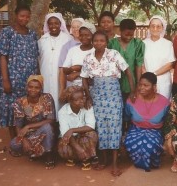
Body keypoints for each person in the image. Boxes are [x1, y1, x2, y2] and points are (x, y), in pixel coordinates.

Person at [80, 31, 135, 177]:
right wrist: (88, 96)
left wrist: (132, 91)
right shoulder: (88, 58)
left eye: (101, 41)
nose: (98, 43)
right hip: (96, 95)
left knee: (115, 126)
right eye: (96, 41)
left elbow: (128, 72)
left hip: (113, 95)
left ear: (106, 42)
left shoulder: (114, 54)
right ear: (92, 42)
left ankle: (115, 163)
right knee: (101, 126)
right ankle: (104, 159)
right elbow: (84, 78)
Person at [0, 5, 39, 138]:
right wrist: (6, 80)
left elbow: (35, 57)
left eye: (27, 16)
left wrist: (37, 77)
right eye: (22, 16)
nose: (25, 18)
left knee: (27, 106)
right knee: (12, 107)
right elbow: (2, 56)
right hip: (12, 78)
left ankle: (25, 136)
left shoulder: (32, 34)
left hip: (29, 80)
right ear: (15, 16)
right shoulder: (7, 32)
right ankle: (14, 138)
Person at [124, 72, 170, 172]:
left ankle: (152, 159)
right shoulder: (132, 99)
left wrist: (166, 138)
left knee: (149, 146)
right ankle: (145, 160)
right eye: (140, 85)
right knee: (130, 143)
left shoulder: (164, 102)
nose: (141, 88)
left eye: (146, 85)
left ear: (154, 86)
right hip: (135, 129)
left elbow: (167, 122)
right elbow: (126, 118)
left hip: (155, 131)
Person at [10, 75, 56, 169]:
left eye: (37, 87)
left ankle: (48, 155)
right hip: (30, 135)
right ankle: (35, 152)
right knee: (14, 144)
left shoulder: (47, 98)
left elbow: (51, 120)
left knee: (47, 127)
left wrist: (28, 126)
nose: (33, 90)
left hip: (46, 132)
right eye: (30, 87)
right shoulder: (20, 102)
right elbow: (18, 126)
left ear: (41, 88)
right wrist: (24, 140)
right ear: (27, 87)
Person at [58, 86, 100, 170]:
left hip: (82, 136)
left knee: (92, 134)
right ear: (70, 101)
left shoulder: (87, 106)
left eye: (82, 98)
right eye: (77, 100)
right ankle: (80, 157)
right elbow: (66, 134)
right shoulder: (62, 111)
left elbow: (91, 126)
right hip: (70, 140)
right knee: (63, 147)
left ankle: (84, 157)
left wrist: (72, 130)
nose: (81, 101)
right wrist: (79, 149)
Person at [38, 13, 72, 114]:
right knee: (46, 98)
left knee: (61, 99)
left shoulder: (68, 39)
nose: (53, 26)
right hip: (46, 75)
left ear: (60, 24)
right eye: (50, 24)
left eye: (56, 23)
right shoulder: (42, 40)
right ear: (47, 25)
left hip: (62, 76)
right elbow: (39, 58)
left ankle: (60, 125)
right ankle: (49, 123)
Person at [108, 18, 145, 101]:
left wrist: (138, 84)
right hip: (114, 82)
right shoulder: (111, 43)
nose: (129, 37)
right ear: (120, 31)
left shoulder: (138, 44)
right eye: (126, 35)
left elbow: (138, 65)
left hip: (132, 83)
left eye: (131, 35)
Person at [143, 15, 176, 99]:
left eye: (158, 26)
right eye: (153, 26)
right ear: (149, 27)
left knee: (163, 106)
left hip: (163, 81)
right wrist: (148, 79)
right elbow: (141, 63)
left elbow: (170, 64)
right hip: (146, 81)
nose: (155, 29)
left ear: (162, 28)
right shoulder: (143, 44)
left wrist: (153, 75)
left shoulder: (168, 44)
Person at [62, 22, 96, 89]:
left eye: (87, 35)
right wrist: (72, 68)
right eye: (81, 35)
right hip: (75, 89)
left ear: (93, 35)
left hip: (92, 88)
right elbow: (65, 69)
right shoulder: (73, 50)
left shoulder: (96, 50)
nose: (84, 37)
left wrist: (78, 73)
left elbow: (98, 70)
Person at [59, 18, 85, 94]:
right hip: (71, 86)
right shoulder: (66, 46)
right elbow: (62, 70)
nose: (76, 29)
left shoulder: (91, 45)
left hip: (88, 85)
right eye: (73, 27)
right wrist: (62, 90)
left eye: (78, 27)